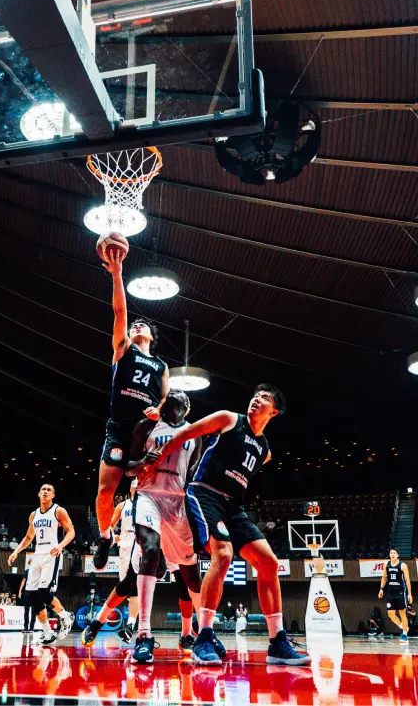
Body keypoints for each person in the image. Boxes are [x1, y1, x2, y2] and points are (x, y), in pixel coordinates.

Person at [149, 383, 311, 666]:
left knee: (269, 563)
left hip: (233, 507)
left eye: (264, 398)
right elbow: (186, 432)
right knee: (223, 554)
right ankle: (204, 636)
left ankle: (277, 642)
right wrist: (155, 461)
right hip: (204, 493)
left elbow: (251, 465)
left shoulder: (264, 448)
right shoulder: (228, 419)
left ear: (273, 412)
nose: (256, 399)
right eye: (255, 395)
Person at [94, 248, 169, 571]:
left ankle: (156, 547)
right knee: (105, 491)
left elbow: (165, 399)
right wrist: (117, 275)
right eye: (134, 324)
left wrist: (159, 411)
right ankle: (104, 536)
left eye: (143, 325)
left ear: (152, 336)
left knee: (154, 491)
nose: (137, 326)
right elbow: (119, 312)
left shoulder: (161, 365)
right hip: (119, 427)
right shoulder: (123, 348)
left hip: (145, 432)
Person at [123, 389, 203, 664]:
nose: (176, 393)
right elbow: (128, 468)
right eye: (171, 392)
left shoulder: (194, 433)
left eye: (182, 394)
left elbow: (194, 475)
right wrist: (140, 463)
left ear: (187, 407)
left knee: (191, 576)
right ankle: (144, 634)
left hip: (178, 502)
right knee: (150, 549)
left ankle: (204, 632)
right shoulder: (146, 426)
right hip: (149, 495)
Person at [9, 483, 75, 645]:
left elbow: (71, 532)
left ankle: (66, 616)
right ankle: (47, 632)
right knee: (32, 594)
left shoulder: (58, 511)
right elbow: (28, 537)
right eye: (43, 490)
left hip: (51, 554)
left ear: (53, 495)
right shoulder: (34, 515)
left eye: (49, 490)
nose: (45, 492)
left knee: (44, 592)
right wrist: (16, 551)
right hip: (37, 555)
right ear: (38, 494)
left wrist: (60, 546)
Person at [81, 479, 140, 647]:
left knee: (137, 590)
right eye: (134, 482)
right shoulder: (122, 506)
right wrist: (114, 536)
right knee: (126, 589)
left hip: (143, 547)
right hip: (126, 548)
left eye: (140, 482)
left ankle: (131, 625)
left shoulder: (149, 505)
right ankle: (103, 622)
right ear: (130, 488)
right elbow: (110, 525)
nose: (137, 484)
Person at [378, 547, 413, 644]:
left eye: (394, 553)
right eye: (391, 553)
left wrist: (409, 594)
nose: (392, 554)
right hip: (390, 592)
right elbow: (384, 577)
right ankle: (403, 627)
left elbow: (407, 581)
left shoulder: (403, 565)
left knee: (402, 612)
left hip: (400, 592)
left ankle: (404, 635)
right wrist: (381, 589)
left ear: (397, 555)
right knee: (390, 614)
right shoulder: (387, 564)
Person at [19, 557, 36, 632]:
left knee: (34, 611)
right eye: (30, 562)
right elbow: (23, 581)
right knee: (26, 610)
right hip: (27, 591)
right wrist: (20, 591)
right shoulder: (27, 571)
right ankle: (25, 627)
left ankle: (31, 628)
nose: (31, 563)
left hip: (35, 591)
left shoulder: (38, 571)